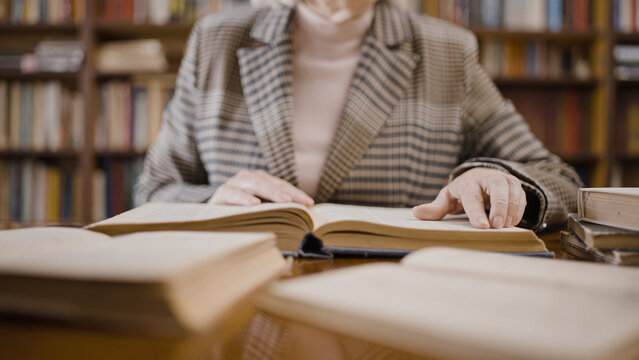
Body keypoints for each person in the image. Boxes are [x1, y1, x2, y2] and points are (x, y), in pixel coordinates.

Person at [134, 0, 582, 231]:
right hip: (234, 292)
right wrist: (212, 201)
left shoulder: (447, 51)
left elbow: (558, 178)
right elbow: (154, 189)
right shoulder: (215, 42)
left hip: (392, 299)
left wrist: (493, 179)